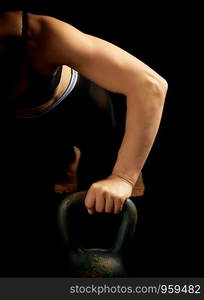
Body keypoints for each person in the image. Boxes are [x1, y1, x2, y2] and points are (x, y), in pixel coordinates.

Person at [0, 9, 167, 274]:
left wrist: (123, 177)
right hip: (26, 136)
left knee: (104, 213)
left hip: (80, 116)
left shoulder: (37, 34)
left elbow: (150, 85)